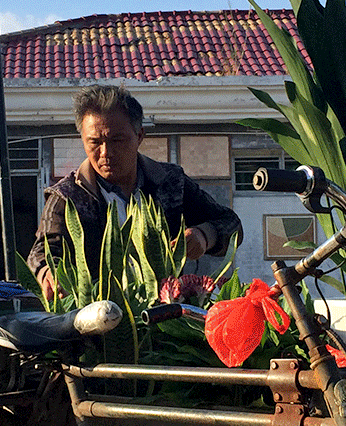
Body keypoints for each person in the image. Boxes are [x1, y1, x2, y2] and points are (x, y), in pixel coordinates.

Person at [27, 84, 243, 298]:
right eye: (95, 142)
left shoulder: (171, 183)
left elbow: (231, 223)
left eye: (117, 140)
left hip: (164, 317)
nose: (106, 153)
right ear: (82, 139)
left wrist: (205, 235)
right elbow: (42, 253)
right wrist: (49, 274)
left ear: (139, 135)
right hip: (97, 321)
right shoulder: (67, 196)